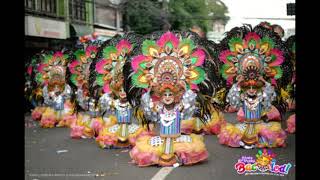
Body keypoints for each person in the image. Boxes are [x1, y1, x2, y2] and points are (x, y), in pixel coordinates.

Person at [128, 31, 211, 166]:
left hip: (178, 139)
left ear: (176, 96)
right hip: (161, 139)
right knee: (150, 150)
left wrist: (187, 85)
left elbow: (190, 106)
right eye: (165, 95)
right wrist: (148, 92)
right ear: (160, 96)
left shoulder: (180, 107)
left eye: (170, 95)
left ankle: (178, 156)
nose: (167, 97)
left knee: (187, 148)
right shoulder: (158, 107)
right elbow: (149, 113)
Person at [216, 24, 292, 149]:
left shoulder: (262, 94)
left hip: (260, 124)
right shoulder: (242, 95)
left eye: (254, 88)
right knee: (234, 135)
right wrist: (236, 84)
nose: (251, 90)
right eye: (248, 88)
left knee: (269, 136)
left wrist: (265, 82)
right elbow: (233, 102)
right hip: (244, 125)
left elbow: (268, 102)